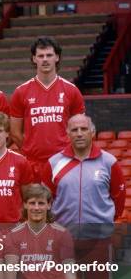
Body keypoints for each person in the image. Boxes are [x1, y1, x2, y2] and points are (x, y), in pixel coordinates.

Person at [43, 114, 125, 279]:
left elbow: (117, 203)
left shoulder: (109, 162)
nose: (79, 133)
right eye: (74, 129)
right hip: (65, 243)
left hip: (98, 242)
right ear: (67, 133)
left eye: (83, 129)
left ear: (92, 132)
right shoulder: (54, 163)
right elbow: (47, 201)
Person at [9, 37, 85, 177]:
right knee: (35, 200)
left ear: (57, 57)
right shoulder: (21, 92)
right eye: (40, 56)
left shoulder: (72, 91)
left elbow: (80, 129)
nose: (45, 59)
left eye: (49, 55)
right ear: (34, 59)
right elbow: (14, 132)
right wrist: (31, 150)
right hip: (33, 163)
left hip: (64, 162)